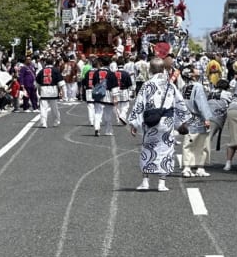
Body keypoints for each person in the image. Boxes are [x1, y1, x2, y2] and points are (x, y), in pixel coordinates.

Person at [130, 57, 190, 192]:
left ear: (150, 70)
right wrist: (182, 122)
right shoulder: (170, 85)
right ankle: (161, 183)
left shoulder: (147, 85)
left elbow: (139, 105)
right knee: (166, 149)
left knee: (147, 149)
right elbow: (180, 104)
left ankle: (145, 181)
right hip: (166, 122)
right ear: (163, 69)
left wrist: (134, 124)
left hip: (150, 121)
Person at [181, 68, 214, 178]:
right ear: (192, 75)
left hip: (188, 118)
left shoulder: (185, 87)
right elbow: (202, 103)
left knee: (188, 144)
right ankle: (200, 167)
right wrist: (206, 118)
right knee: (202, 144)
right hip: (198, 118)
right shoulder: (198, 87)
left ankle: (187, 167)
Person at [91, 57, 119, 137]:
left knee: (98, 112)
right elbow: (114, 86)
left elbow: (94, 84)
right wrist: (115, 97)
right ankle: (108, 130)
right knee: (108, 114)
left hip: (99, 94)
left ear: (101, 63)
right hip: (108, 95)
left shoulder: (96, 72)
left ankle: (97, 127)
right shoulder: (111, 73)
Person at [37, 57, 64, 128]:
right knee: (54, 108)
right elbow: (60, 83)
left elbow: (37, 83)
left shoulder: (41, 71)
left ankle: (43, 123)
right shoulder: (56, 70)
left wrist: (39, 90)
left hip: (44, 90)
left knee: (43, 108)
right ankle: (56, 121)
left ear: (46, 63)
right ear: (53, 62)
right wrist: (61, 91)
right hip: (53, 90)